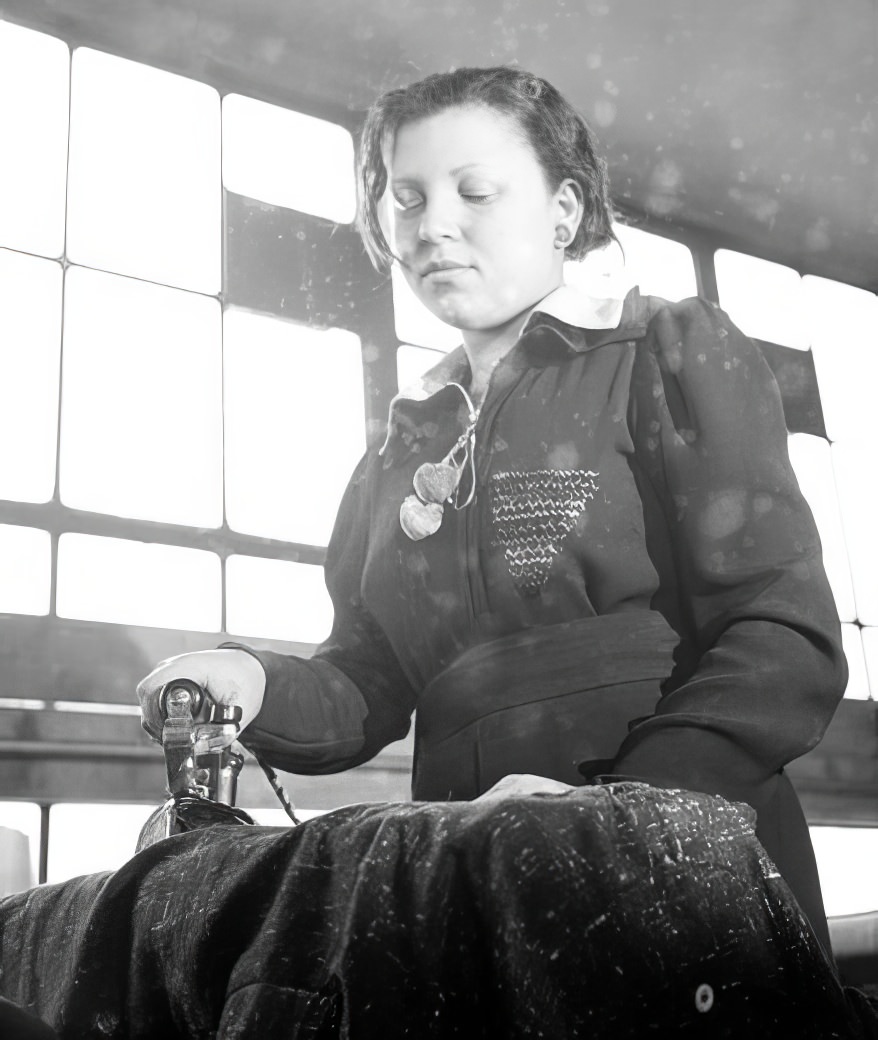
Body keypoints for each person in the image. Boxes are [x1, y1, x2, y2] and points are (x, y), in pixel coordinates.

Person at [137, 66, 847, 953]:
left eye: (476, 190)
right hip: (464, 874)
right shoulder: (397, 449)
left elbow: (782, 635)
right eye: (405, 198)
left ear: (564, 209)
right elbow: (369, 683)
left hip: (679, 859)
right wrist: (249, 682)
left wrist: (623, 808)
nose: (433, 225)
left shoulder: (667, 354)